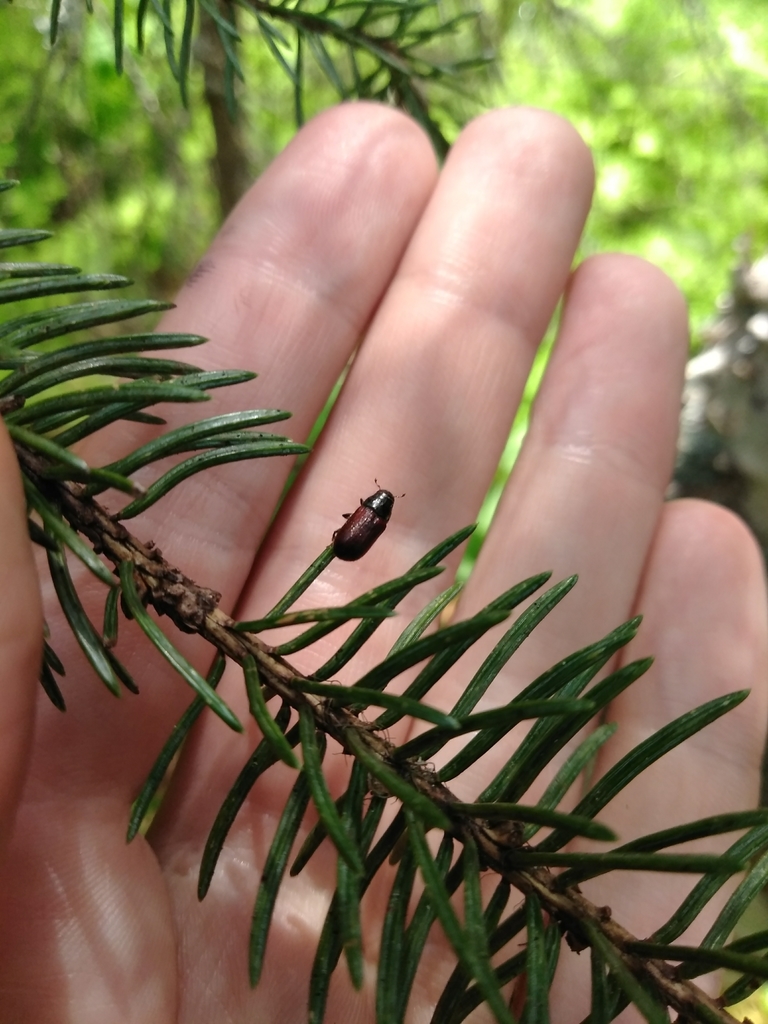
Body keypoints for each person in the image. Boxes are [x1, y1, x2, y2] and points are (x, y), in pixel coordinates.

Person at [0, 104, 765, 1023]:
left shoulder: (365, 517)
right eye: (371, 510)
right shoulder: (366, 519)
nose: (370, 511)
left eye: (372, 508)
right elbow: (351, 533)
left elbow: (349, 533)